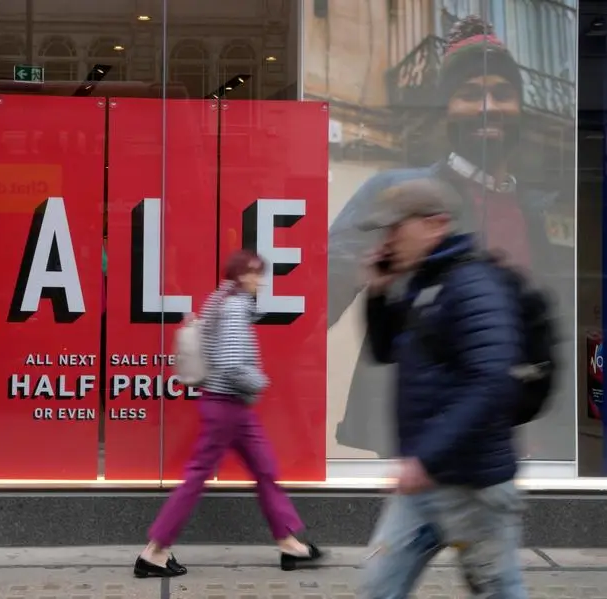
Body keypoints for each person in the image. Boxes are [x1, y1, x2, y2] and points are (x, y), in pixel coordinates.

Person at [328, 15, 574, 460]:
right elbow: (314, 299)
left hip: (524, 453)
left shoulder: (538, 210)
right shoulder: (397, 195)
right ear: (447, 109)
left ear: (519, 105)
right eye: (469, 94)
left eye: (501, 93)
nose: (488, 106)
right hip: (427, 452)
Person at [356, 178, 527, 599]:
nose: (388, 239)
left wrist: (425, 459)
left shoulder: (473, 286)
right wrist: (378, 293)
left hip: (475, 490)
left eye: (396, 227)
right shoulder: (423, 285)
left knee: (499, 592)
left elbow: (491, 382)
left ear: (436, 225)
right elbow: (383, 350)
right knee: (376, 589)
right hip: (424, 487)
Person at [132, 250, 323, 578]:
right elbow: (231, 363)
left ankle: (288, 542)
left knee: (264, 468)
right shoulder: (233, 308)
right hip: (227, 405)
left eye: (260, 274)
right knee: (198, 476)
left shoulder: (223, 303)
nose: (259, 281)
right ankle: (155, 551)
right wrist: (261, 381)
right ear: (240, 277)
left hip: (230, 406)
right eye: (253, 274)